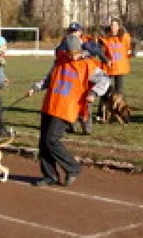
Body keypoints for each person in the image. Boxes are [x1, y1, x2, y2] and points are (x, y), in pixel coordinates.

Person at [26, 34, 110, 186]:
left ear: (80, 50)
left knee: (51, 140)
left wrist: (93, 92)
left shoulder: (88, 65)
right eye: (69, 53)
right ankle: (50, 176)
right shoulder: (60, 59)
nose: (72, 56)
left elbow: (105, 79)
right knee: (43, 143)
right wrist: (36, 87)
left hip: (67, 108)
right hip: (50, 104)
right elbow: (49, 79)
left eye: (74, 53)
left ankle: (72, 167)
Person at [55, 22, 109, 134]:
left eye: (75, 32)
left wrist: (105, 60)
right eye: (71, 32)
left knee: (85, 104)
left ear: (80, 32)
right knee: (71, 102)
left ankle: (86, 124)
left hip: (88, 74)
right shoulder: (65, 42)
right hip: (72, 77)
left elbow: (97, 51)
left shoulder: (86, 43)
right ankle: (71, 124)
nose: (73, 34)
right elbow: (58, 53)